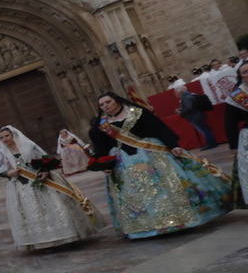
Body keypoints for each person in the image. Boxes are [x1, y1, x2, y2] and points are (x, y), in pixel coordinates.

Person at [91, 91, 232, 238]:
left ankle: (179, 220)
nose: (105, 106)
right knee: (136, 194)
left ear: (117, 101)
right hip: (123, 162)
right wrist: (103, 164)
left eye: (108, 102)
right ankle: (147, 227)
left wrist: (173, 145)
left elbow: (159, 129)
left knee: (167, 186)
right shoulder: (101, 124)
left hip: (151, 154)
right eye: (101, 105)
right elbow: (101, 146)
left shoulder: (137, 112)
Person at [0, 125, 97, 251]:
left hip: (42, 180)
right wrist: (9, 173)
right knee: (33, 212)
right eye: (1, 138)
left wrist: (45, 171)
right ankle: (45, 241)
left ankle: (67, 235)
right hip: (22, 185)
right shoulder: (3, 152)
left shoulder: (28, 146)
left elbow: (45, 158)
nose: (4, 139)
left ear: (13, 135)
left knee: (56, 206)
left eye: (6, 136)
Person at [224, 63, 248, 207]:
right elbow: (230, 123)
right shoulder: (236, 97)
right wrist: (233, 146)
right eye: (245, 72)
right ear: (241, 77)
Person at [175, 84, 217, 149]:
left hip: (195, 117)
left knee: (204, 130)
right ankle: (211, 143)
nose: (175, 94)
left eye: (176, 92)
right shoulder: (189, 95)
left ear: (180, 92)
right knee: (205, 129)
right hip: (198, 115)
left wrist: (181, 112)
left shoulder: (186, 97)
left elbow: (189, 107)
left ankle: (211, 143)